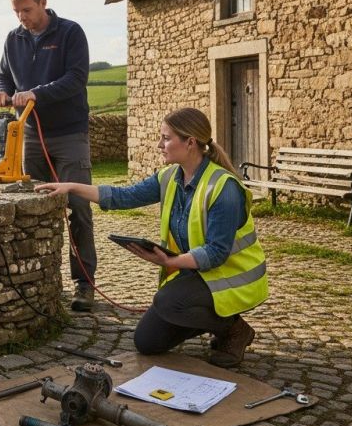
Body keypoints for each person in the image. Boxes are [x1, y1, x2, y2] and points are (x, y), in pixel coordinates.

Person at [35, 107, 268, 367]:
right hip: (197, 275)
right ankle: (211, 319)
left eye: (166, 138)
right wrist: (71, 186)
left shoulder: (223, 188)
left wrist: (170, 262)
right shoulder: (169, 177)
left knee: (168, 303)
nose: (159, 145)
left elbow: (216, 253)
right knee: (147, 342)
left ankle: (234, 329)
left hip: (231, 278)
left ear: (190, 142)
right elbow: (124, 196)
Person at [0, 0, 97, 312]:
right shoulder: (13, 39)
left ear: (43, 2)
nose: (22, 17)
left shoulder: (70, 33)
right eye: (16, 12)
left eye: (27, 10)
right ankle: (39, 281)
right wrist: (1, 91)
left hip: (69, 135)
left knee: (78, 208)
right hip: (30, 136)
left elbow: (76, 79)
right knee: (32, 207)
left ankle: (85, 285)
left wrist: (36, 93)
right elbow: (3, 75)